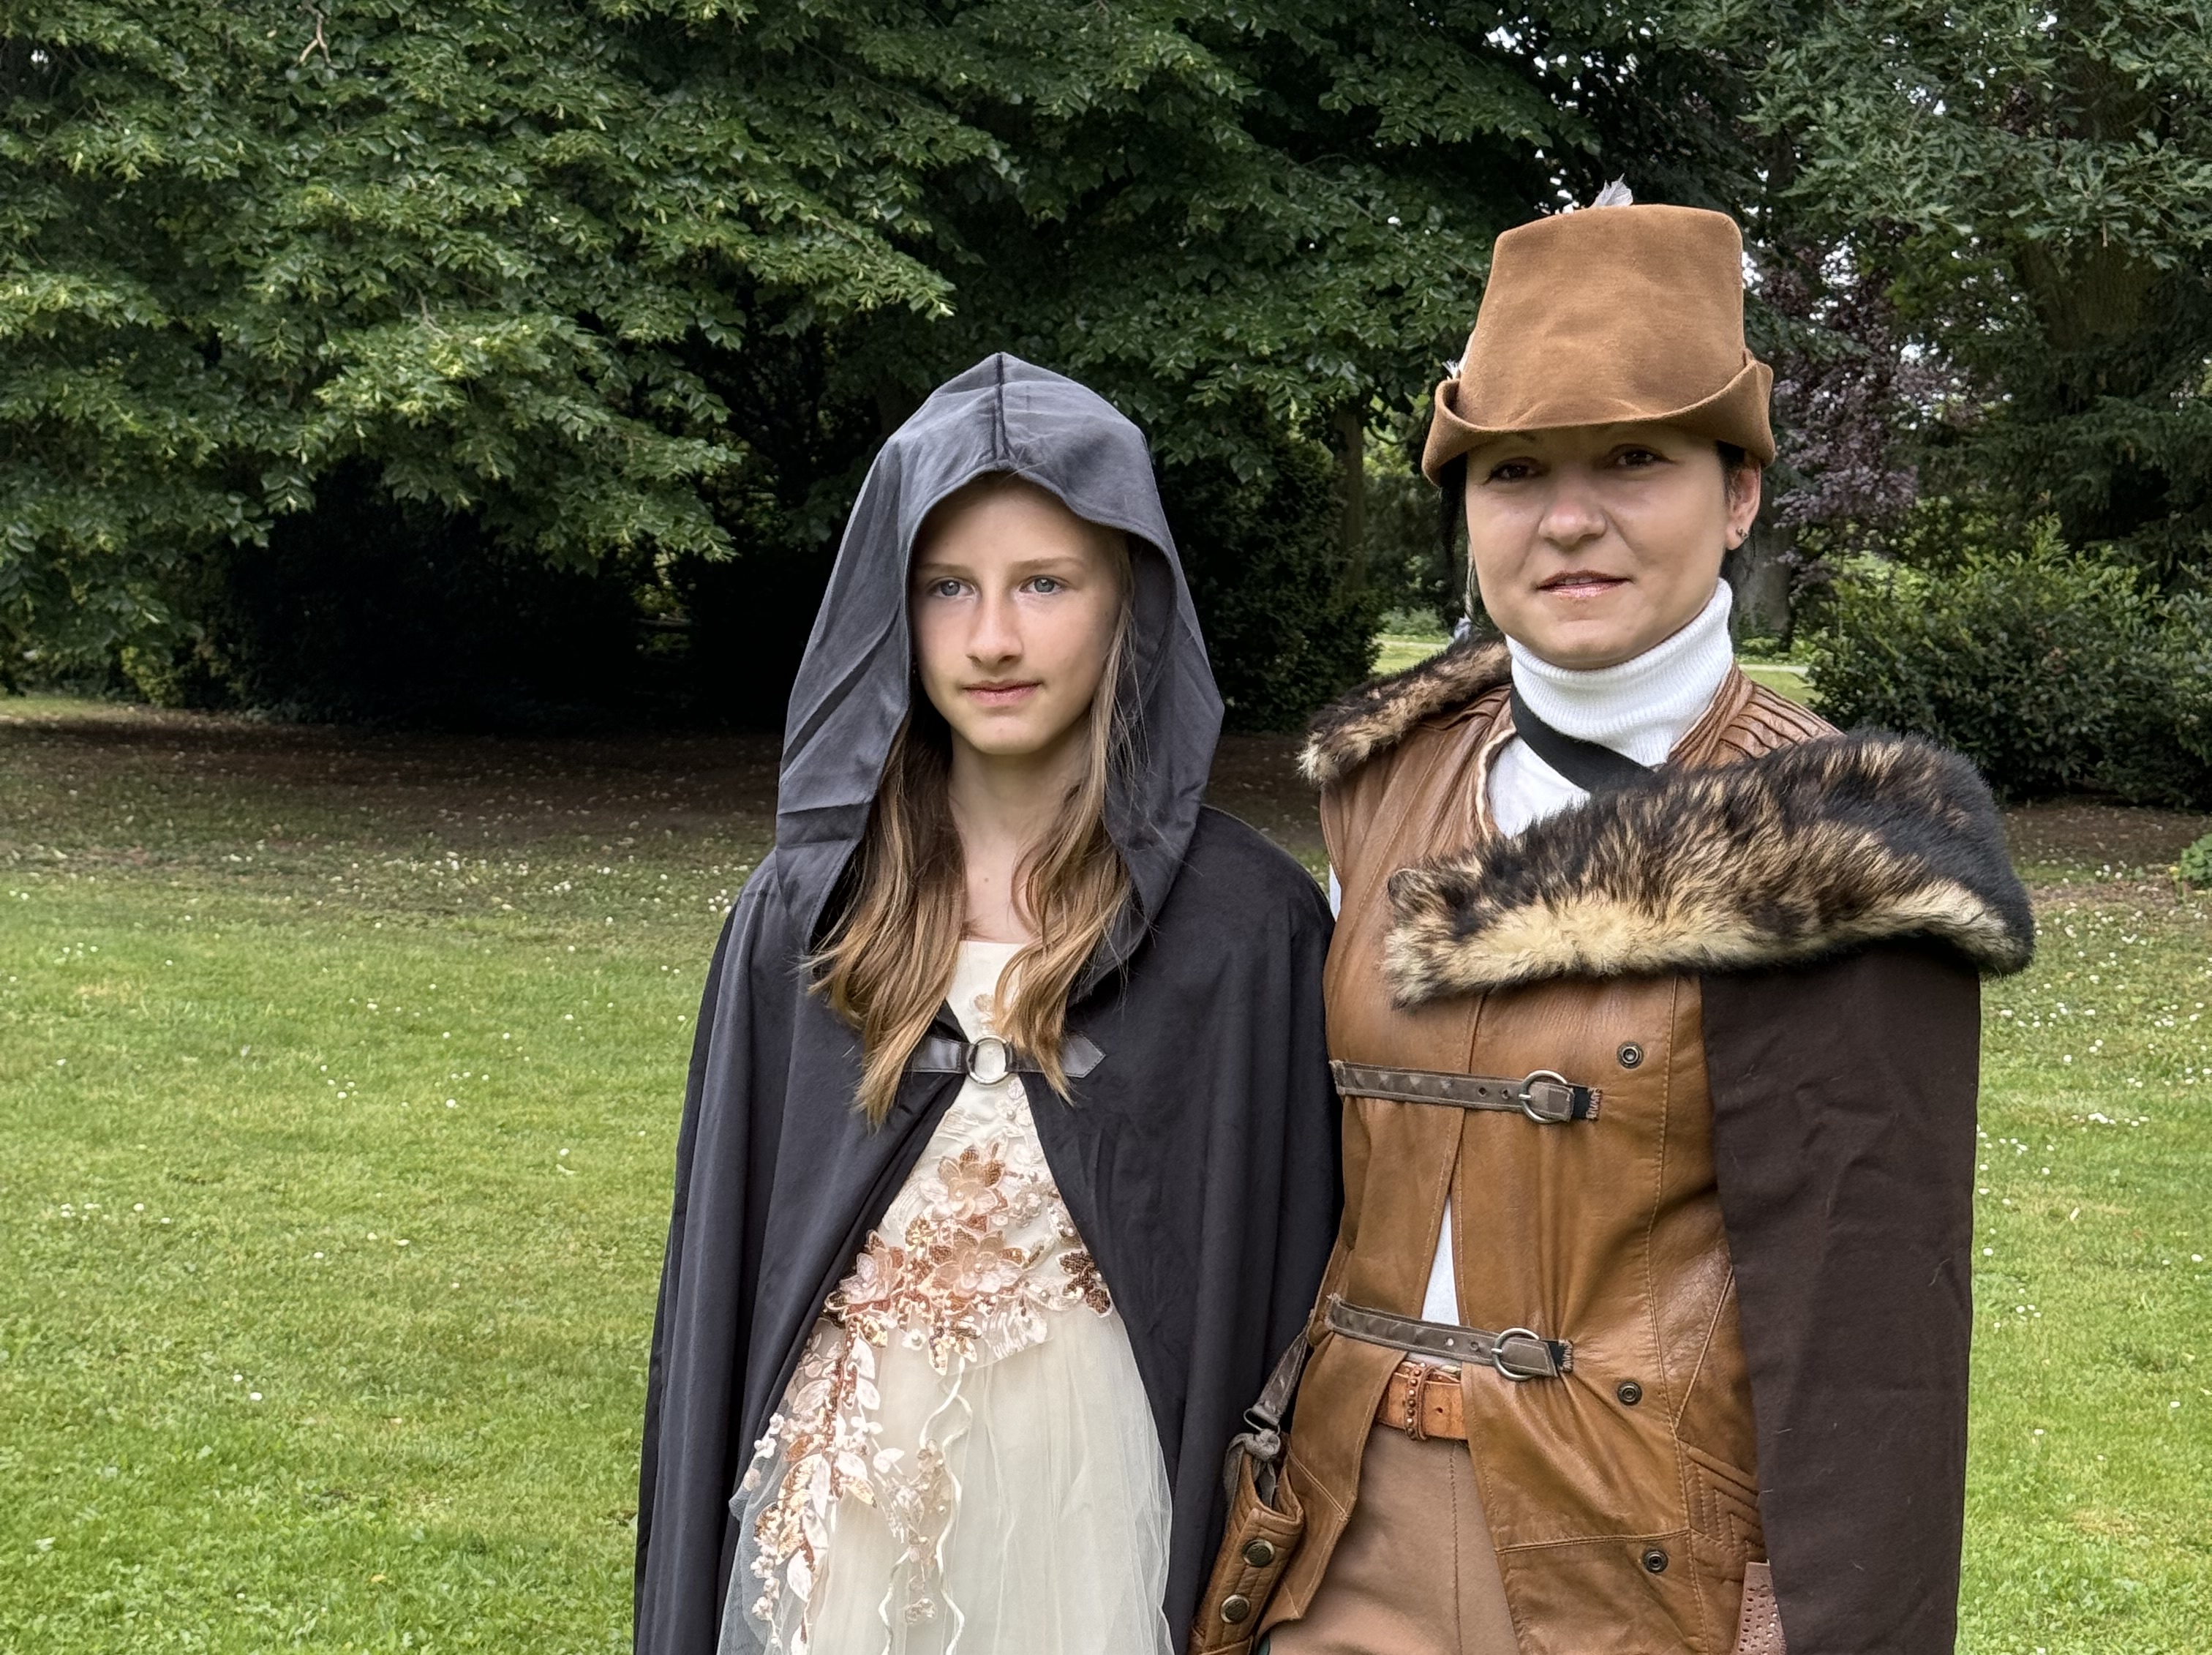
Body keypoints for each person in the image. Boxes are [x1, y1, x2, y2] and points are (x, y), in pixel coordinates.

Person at [1210, 198, 2036, 1655]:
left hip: (1642, 1575)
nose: (1569, 518)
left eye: (1636, 459)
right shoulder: (1383, 786)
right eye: (1517, 469)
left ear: (1739, 492)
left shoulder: (1830, 845)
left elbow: (1874, 1353)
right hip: (1337, 1540)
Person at [634, 354, 1341, 1655]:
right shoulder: (808, 916)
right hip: (846, 1520)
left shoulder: (1248, 933)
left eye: (1045, 584)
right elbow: (725, 1291)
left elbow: (1287, 1307)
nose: (994, 637)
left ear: (1129, 598)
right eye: (948, 586)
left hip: (1102, 1523)